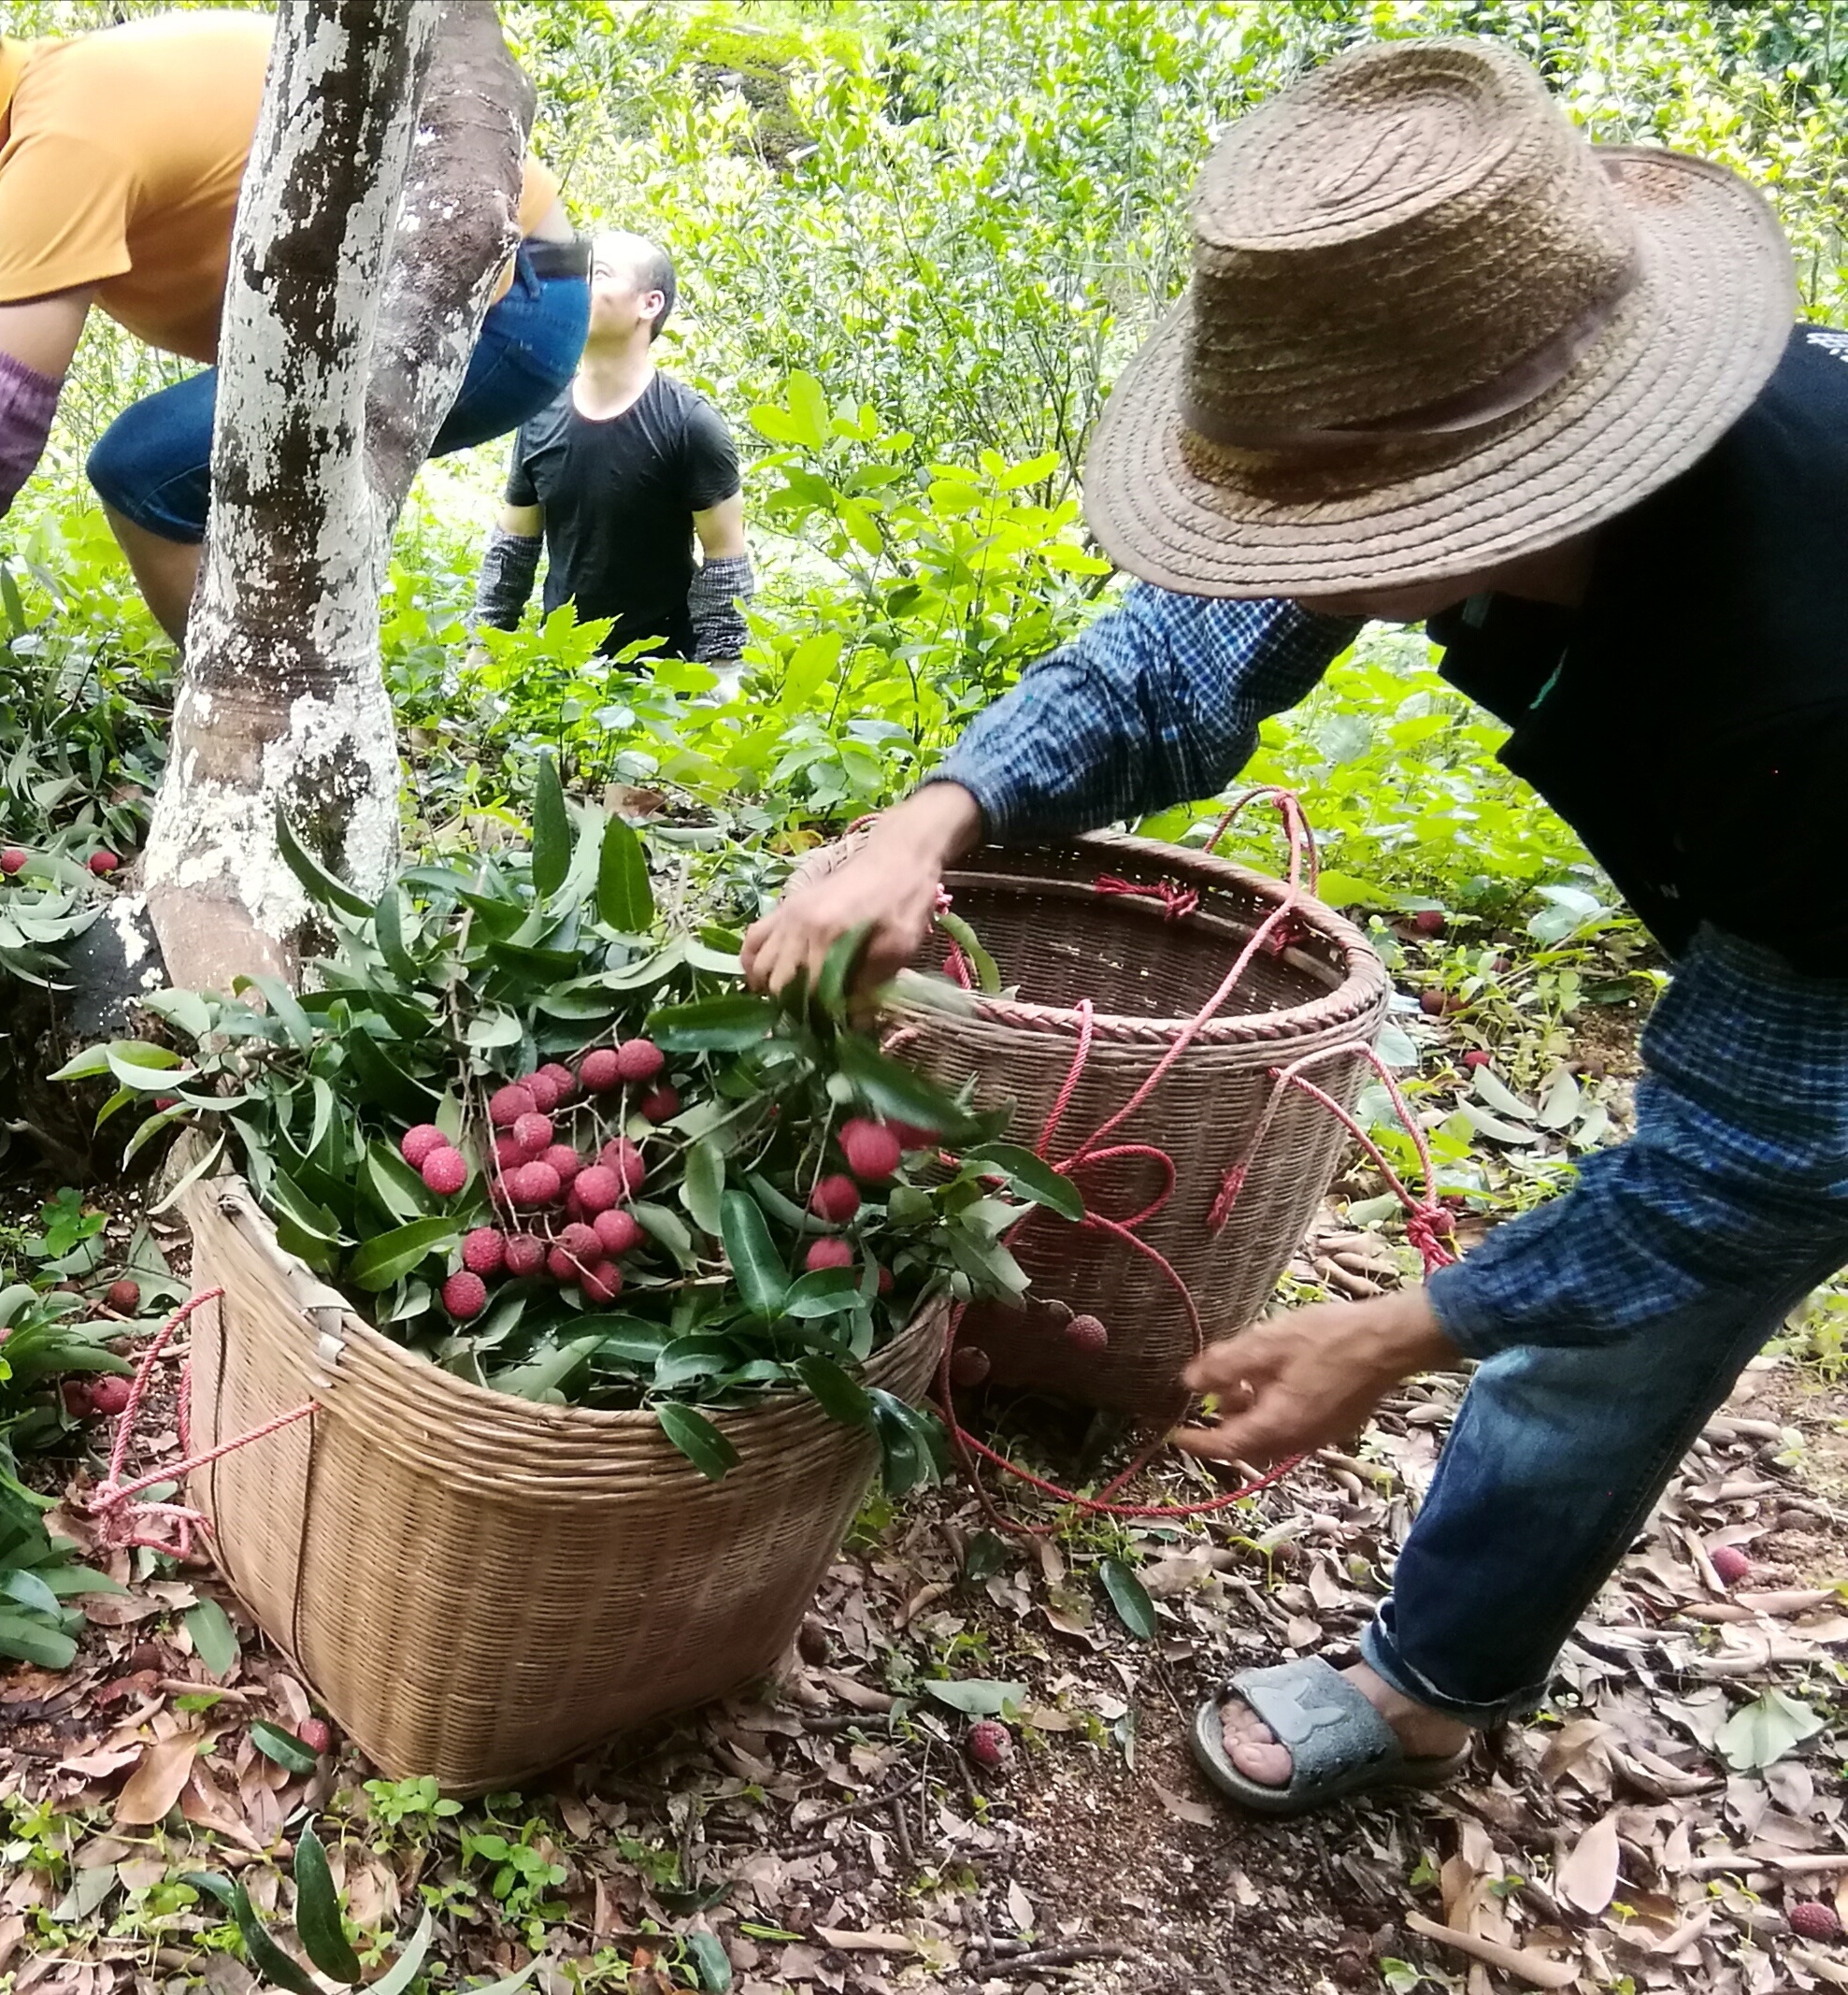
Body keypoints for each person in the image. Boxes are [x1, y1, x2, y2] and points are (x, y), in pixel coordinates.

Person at [742, 36, 1846, 1816]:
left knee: (1607, 1332)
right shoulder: (1494, 381)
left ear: (1509, 487)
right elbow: (1183, 648)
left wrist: (1399, 1329)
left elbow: (1759, 1161)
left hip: (1822, 916)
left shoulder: (1798, 677)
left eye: (1324, 522)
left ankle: (1428, 1684)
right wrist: (928, 818)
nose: (1280, 556)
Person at [0, 0, 588, 642]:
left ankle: (260, 731)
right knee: (216, 467)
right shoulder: (65, 94)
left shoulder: (62, 138)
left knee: (144, 470)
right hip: (499, 279)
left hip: (501, 303)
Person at [474, 233, 753, 671]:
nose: (580, 286)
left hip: (663, 685)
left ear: (649, 304)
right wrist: (483, 652)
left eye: (599, 273)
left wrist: (719, 678)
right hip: (561, 677)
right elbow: (513, 548)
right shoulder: (539, 410)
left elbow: (725, 563)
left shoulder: (692, 425)